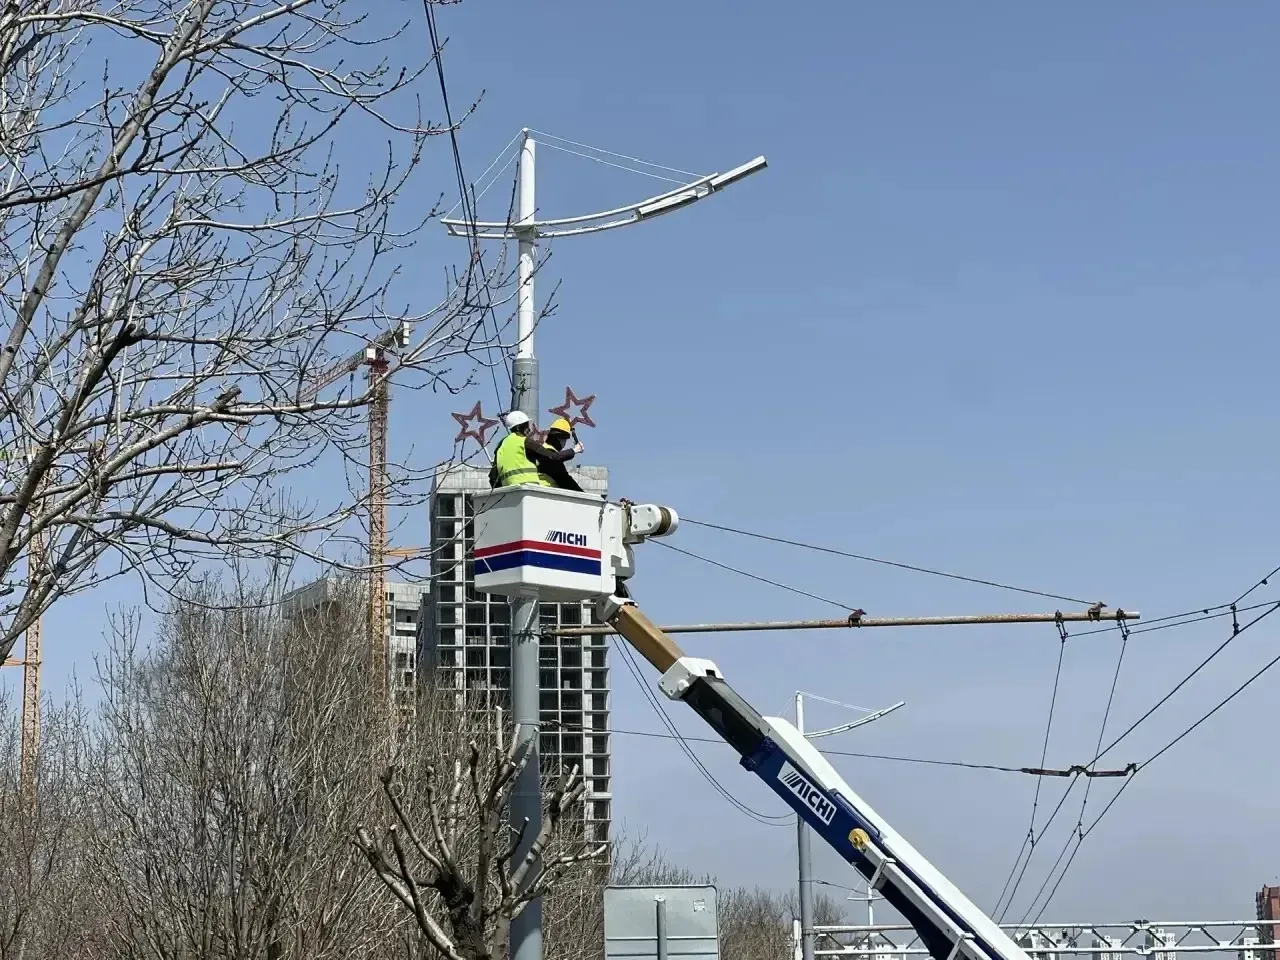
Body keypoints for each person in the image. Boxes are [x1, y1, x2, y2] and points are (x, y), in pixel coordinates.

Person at [490, 411, 583, 489]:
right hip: (530, 491)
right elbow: (553, 457)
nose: (529, 429)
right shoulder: (525, 442)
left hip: (510, 493)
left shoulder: (500, 446)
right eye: (526, 425)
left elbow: (493, 477)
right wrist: (574, 450)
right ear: (518, 427)